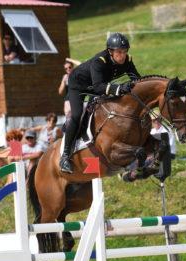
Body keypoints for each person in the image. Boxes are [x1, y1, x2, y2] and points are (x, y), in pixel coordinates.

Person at [60, 32, 141, 173]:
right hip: (79, 85)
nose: (122, 55)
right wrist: (120, 88)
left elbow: (138, 80)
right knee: (77, 115)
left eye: (124, 52)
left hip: (98, 86)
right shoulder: (100, 61)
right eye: (119, 52)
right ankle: (65, 156)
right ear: (110, 51)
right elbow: (98, 87)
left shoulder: (128, 60)